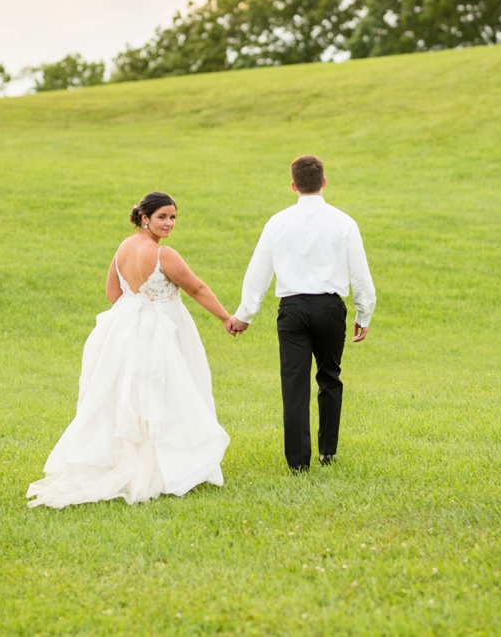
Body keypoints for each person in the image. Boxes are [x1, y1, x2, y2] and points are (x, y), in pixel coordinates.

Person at [27, 191, 234, 508]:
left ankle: (134, 462)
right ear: (145, 218)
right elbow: (197, 288)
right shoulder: (165, 256)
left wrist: (137, 307)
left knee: (133, 396)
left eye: (173, 217)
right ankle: (167, 469)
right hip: (162, 329)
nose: (169, 223)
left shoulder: (123, 248)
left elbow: (113, 293)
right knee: (168, 392)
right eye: (163, 217)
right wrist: (225, 318)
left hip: (127, 330)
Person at [229, 155, 375, 472]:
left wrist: (245, 314)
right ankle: (327, 451)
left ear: (293, 186)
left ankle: (297, 462)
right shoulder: (344, 222)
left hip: (292, 309)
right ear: (323, 182)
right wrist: (364, 313)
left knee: (294, 383)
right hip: (330, 307)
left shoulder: (277, 222)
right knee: (329, 377)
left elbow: (259, 272)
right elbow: (360, 274)